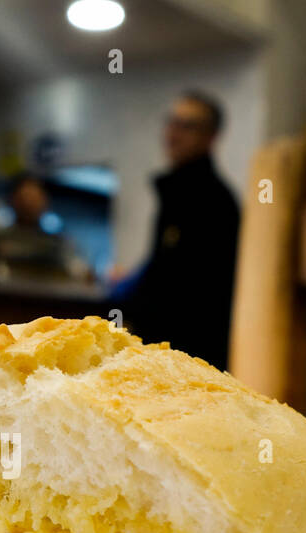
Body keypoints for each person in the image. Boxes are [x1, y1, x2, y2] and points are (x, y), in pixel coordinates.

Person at [114, 90, 239, 369]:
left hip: (188, 357)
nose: (173, 133)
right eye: (172, 122)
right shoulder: (176, 191)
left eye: (187, 125)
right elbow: (163, 266)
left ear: (211, 136)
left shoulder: (214, 200)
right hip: (162, 352)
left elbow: (189, 289)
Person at [0, 172, 87, 282]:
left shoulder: (58, 242)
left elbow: (79, 271)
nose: (29, 205)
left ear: (45, 201)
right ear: (12, 201)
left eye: (34, 199)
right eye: (24, 198)